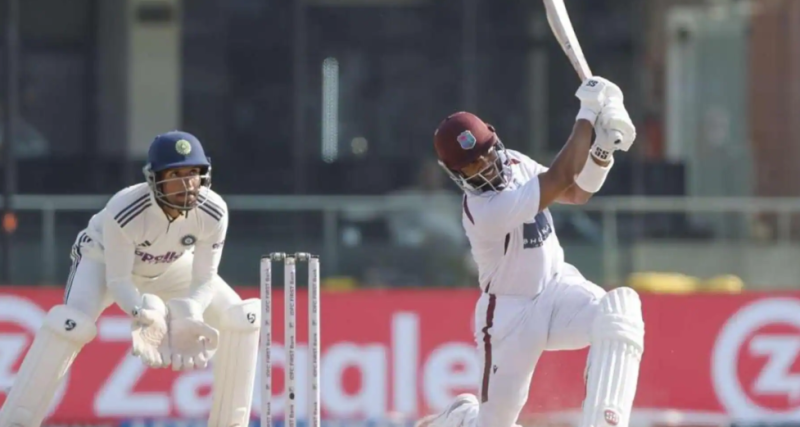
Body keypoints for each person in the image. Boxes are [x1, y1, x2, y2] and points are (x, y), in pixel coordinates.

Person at [417, 77, 645, 427]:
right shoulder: (482, 209)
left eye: (486, 153)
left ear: (495, 140)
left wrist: (603, 149)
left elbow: (577, 191)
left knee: (620, 310)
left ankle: (605, 421)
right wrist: (587, 113)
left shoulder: (515, 162)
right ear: (456, 174)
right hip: (510, 315)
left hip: (557, 289)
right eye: (472, 165)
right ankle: (461, 419)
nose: (486, 166)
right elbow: (560, 178)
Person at [0, 131, 260, 427]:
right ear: (154, 178)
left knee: (241, 317)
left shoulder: (213, 210)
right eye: (175, 174)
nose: (187, 184)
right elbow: (119, 281)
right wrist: (142, 313)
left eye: (193, 173)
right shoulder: (126, 210)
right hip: (102, 260)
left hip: (171, 264)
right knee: (71, 324)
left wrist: (192, 310)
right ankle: (15, 420)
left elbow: (204, 278)